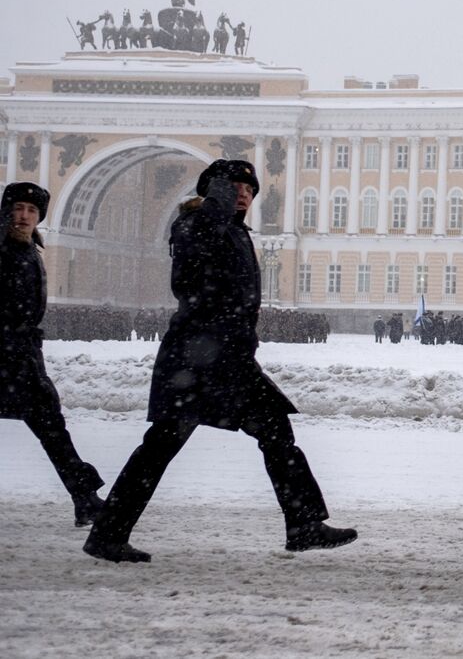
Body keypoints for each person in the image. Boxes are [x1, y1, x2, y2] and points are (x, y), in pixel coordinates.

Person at [84, 160, 357, 563]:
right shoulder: (194, 226)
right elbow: (187, 281)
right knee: (160, 447)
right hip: (194, 361)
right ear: (212, 191)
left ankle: (304, 524)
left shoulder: (233, 232)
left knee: (276, 431)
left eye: (248, 188)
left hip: (229, 360)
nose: (243, 192)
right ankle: (108, 533)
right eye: (233, 186)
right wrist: (215, 207)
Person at [0, 182, 106, 526]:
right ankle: (85, 497)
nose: (24, 216)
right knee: (52, 430)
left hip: (22, 356)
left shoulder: (30, 250)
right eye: (18, 209)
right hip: (10, 356)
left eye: (31, 211)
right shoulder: (6, 251)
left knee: (52, 428)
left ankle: (85, 498)